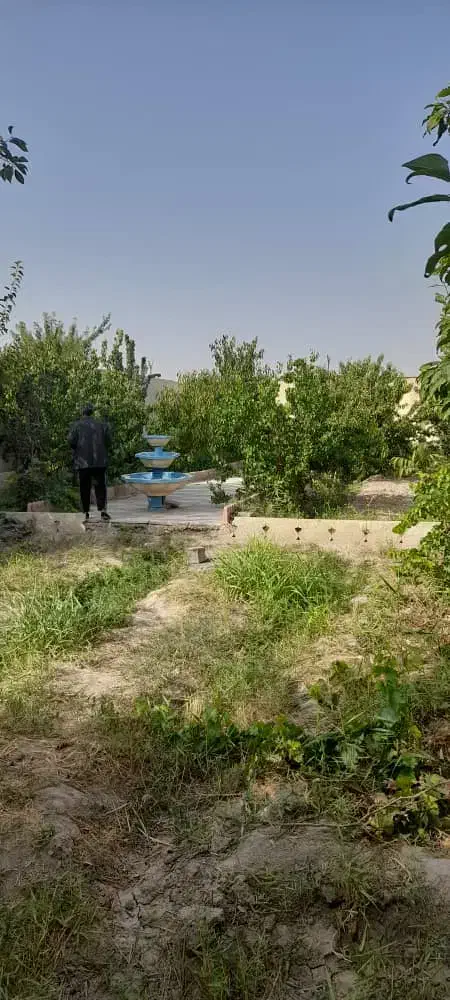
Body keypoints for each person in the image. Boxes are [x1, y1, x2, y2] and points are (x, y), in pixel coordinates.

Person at [69, 404, 111, 523]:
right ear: (92, 412)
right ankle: (103, 511)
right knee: (100, 486)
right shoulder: (101, 425)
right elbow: (108, 441)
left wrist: (77, 449)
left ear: (82, 412)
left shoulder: (77, 425)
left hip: (83, 461)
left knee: (84, 487)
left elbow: (71, 441)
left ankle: (85, 512)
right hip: (99, 461)